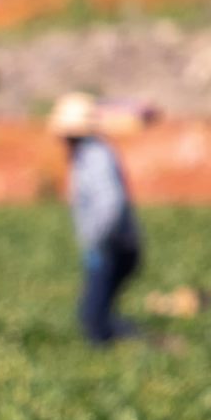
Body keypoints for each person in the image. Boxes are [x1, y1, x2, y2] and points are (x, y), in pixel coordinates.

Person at [51, 92, 143, 345]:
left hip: (113, 247)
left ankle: (140, 345)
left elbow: (110, 202)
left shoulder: (95, 156)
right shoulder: (86, 154)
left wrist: (98, 241)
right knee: (96, 316)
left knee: (94, 319)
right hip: (109, 246)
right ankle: (132, 345)